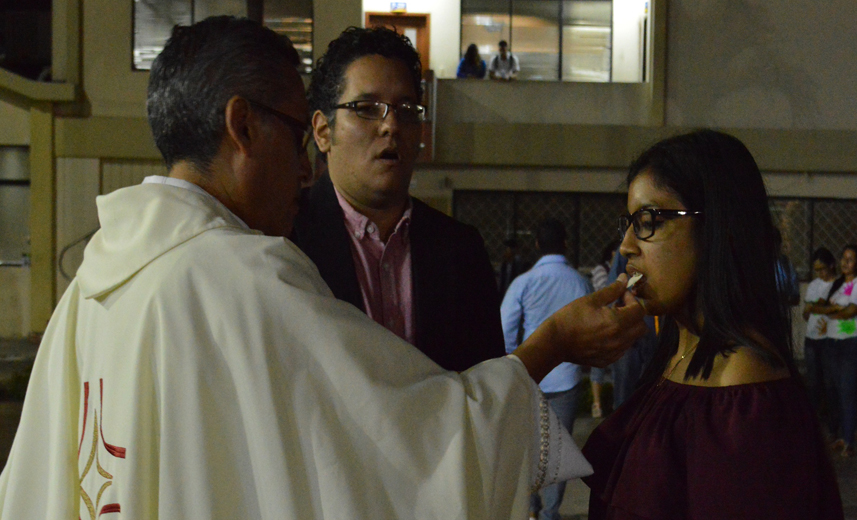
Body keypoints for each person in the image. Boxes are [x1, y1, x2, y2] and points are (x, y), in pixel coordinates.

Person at [0, 17, 651, 519]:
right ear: (243, 127)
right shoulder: (245, 279)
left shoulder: (94, 284)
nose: (305, 164)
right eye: (294, 129)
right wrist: (553, 345)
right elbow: (418, 444)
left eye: (406, 111)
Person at [582, 130, 843, 519]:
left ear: (716, 227)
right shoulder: (677, 349)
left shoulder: (742, 383)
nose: (626, 246)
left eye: (649, 220)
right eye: (629, 222)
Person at [292, 27, 504, 372]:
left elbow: (485, 387)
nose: (391, 125)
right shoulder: (285, 238)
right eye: (367, 108)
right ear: (322, 131)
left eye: (406, 109)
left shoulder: (460, 249)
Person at [501, 218, 593, 520]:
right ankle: (551, 512)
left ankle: (530, 509)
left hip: (530, 377)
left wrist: (516, 361)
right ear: (565, 244)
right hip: (566, 379)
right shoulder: (580, 282)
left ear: (538, 245)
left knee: (526, 447)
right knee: (559, 450)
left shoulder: (524, 282)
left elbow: (505, 330)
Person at [813, 245, 857, 458]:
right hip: (832, 342)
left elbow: (852, 310)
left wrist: (834, 312)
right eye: (843, 258)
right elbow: (818, 308)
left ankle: (849, 441)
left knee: (847, 392)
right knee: (834, 391)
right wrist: (835, 310)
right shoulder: (839, 285)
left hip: (851, 342)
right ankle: (839, 436)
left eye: (851, 259)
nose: (846, 263)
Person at [589, 244, 657, 418]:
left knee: (653, 397)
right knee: (624, 397)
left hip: (658, 334)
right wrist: (626, 293)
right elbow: (614, 286)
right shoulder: (627, 247)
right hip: (630, 335)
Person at [802, 247, 839, 436]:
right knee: (813, 383)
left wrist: (818, 308)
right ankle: (812, 425)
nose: (820, 273)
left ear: (831, 265)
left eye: (823, 269)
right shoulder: (814, 285)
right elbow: (806, 313)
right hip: (812, 338)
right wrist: (814, 309)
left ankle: (834, 427)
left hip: (829, 339)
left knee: (830, 383)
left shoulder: (839, 285)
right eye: (817, 269)